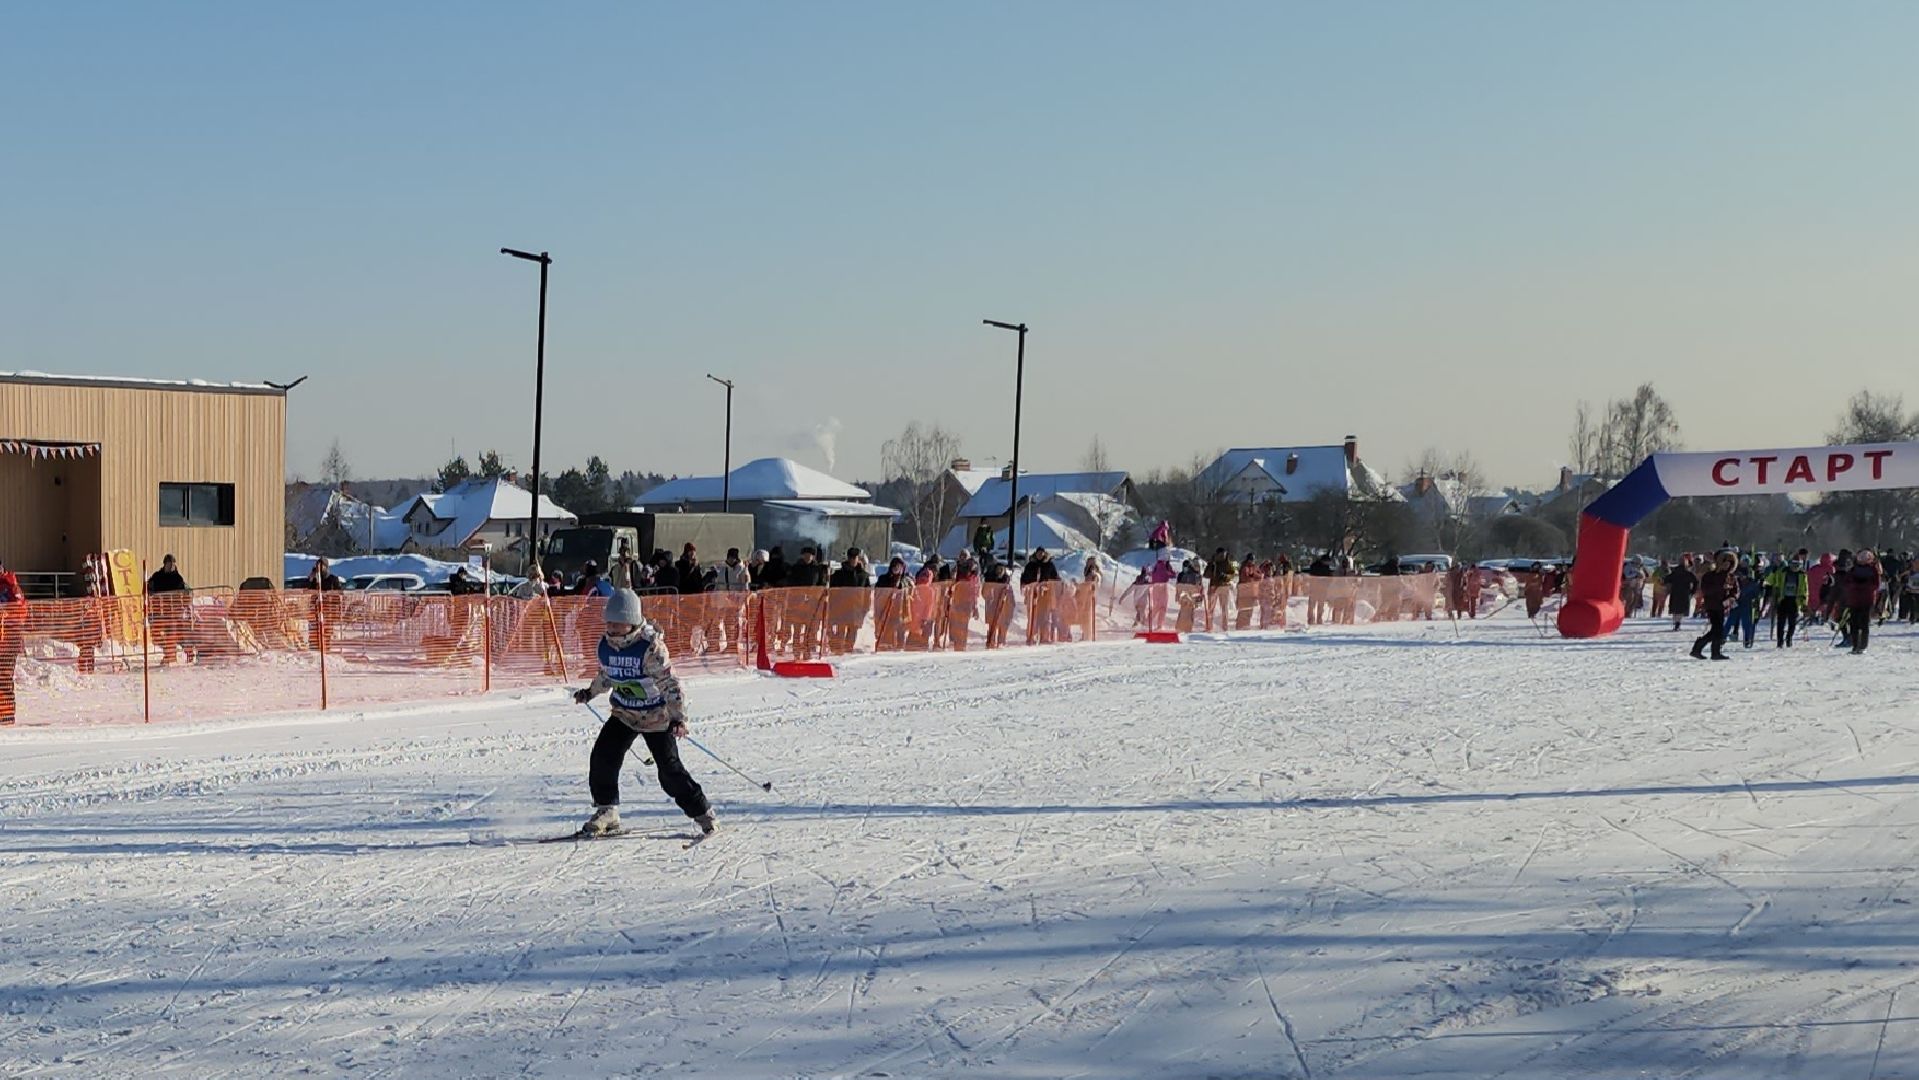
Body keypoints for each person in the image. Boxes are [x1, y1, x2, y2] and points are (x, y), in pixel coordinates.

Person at [569, 589, 713, 838]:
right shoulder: (606, 646)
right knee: (603, 757)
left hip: (656, 716)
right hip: (625, 713)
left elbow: (670, 684)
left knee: (669, 771)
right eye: (609, 622)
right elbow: (607, 675)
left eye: (618, 622)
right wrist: (589, 693)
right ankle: (607, 811)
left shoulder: (650, 648)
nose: (612, 627)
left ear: (633, 621)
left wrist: (678, 717)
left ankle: (703, 812)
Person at [146, 554, 191, 665]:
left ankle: (173, 656)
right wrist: (149, 588)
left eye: (172, 564)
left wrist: (184, 604)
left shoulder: (178, 578)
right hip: (159, 612)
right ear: (165, 564)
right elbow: (148, 586)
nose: (170, 566)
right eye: (169, 564)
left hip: (173, 613)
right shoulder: (157, 576)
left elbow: (185, 592)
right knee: (159, 636)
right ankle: (169, 654)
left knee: (174, 634)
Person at [1690, 551, 1735, 660]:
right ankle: (1703, 649)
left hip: (1723, 605)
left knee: (1717, 630)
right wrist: (1720, 588)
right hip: (1712, 605)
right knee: (1717, 629)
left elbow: (1735, 589)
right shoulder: (1710, 575)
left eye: (1729, 563)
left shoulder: (1730, 576)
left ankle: (1711, 651)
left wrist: (1733, 597)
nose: (1726, 565)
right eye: (1725, 562)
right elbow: (1706, 590)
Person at [1764, 555, 1808, 648]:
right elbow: (1770, 581)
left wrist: (1804, 602)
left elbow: (1805, 590)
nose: (1795, 567)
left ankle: (1789, 637)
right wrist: (1773, 572)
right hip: (1783, 600)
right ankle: (1780, 641)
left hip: (1795, 601)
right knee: (1781, 622)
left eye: (1798, 565)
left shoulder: (1802, 575)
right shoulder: (1782, 572)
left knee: (1792, 622)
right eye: (1793, 564)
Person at [1843, 549, 1882, 654]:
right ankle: (1856, 646)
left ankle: (1862, 646)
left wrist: (1861, 586)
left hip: (1866, 600)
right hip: (1855, 600)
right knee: (1854, 624)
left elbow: (1876, 585)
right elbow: (1846, 583)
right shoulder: (1853, 570)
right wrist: (1856, 586)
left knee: (1863, 624)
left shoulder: (1873, 570)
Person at [0, 558, 24, 725]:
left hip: (8, 640)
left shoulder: (10, 585)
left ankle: (6, 716)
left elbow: (20, 610)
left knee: (4, 677)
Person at [1205, 548, 1238, 632]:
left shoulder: (1227, 563)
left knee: (1223, 608)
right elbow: (1206, 574)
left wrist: (1226, 576)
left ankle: (1223, 627)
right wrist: (1211, 566)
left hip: (1222, 586)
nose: (1222, 556)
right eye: (1220, 554)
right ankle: (1210, 627)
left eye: (1223, 554)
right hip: (1215, 586)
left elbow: (1233, 573)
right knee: (1213, 608)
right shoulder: (1214, 563)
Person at [1664, 558, 1698, 632]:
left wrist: (1668, 587)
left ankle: (1676, 623)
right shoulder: (1688, 573)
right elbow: (1696, 581)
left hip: (1675, 592)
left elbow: (1666, 579)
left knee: (1675, 609)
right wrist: (1693, 591)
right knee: (1681, 610)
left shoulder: (1675, 572)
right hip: (1684, 593)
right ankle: (1678, 623)